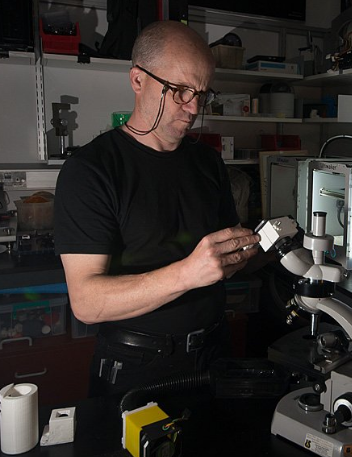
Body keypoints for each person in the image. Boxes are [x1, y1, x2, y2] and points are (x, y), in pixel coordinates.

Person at [54, 20, 261, 398]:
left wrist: (243, 252)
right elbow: (86, 302)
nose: (193, 108)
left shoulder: (208, 163)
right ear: (137, 79)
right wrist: (188, 273)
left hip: (215, 354)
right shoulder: (91, 171)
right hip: (137, 366)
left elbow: (221, 259)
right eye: (180, 90)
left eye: (202, 93)